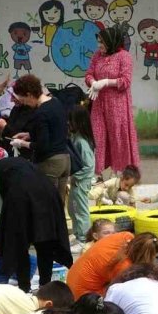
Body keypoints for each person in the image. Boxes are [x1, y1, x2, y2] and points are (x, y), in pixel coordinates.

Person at [0, 156, 74, 292]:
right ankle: (45, 286)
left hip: (20, 198)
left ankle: (24, 288)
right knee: (45, 239)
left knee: (19, 244)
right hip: (47, 193)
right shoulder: (22, 162)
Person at [86, 25, 140, 175]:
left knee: (117, 136)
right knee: (98, 136)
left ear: (111, 41)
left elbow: (125, 81)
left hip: (118, 105)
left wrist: (106, 82)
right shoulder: (97, 56)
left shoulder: (124, 56)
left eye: (102, 42)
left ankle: (119, 172)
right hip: (99, 103)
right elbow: (89, 74)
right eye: (98, 42)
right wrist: (93, 83)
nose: (99, 46)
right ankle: (98, 174)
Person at [10, 74, 71, 197]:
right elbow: (56, 130)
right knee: (58, 206)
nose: (25, 104)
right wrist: (29, 134)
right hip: (65, 161)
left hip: (50, 163)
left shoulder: (41, 113)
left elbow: (42, 145)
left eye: (23, 100)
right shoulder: (56, 103)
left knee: (47, 204)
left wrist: (22, 143)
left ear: (29, 94)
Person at [67, 232, 158, 298]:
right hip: (82, 295)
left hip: (72, 278)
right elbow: (120, 293)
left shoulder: (125, 235)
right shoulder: (124, 266)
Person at [69, 105, 97, 253]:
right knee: (72, 209)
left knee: (80, 210)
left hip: (81, 181)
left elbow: (89, 165)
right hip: (77, 180)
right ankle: (78, 234)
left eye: (71, 121)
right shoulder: (76, 137)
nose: (69, 124)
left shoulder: (82, 141)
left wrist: (75, 176)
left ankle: (84, 239)